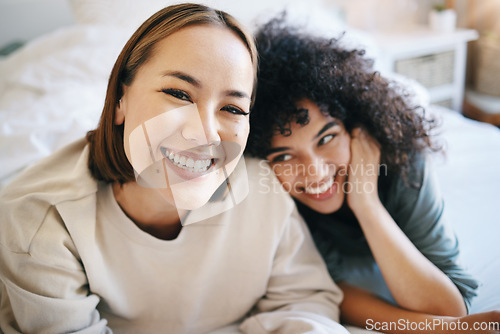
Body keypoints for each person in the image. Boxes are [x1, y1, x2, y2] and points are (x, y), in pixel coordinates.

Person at [0, 4, 349, 333]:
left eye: (233, 108)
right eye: (179, 94)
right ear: (120, 99)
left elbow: (308, 302)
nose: (206, 133)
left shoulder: (262, 191)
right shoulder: (38, 219)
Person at [246, 17, 500, 333]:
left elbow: (450, 305)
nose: (315, 172)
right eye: (283, 155)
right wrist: (442, 330)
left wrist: (367, 203)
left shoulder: (401, 160)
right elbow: (337, 296)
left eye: (326, 138)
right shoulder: (272, 193)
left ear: (357, 129)